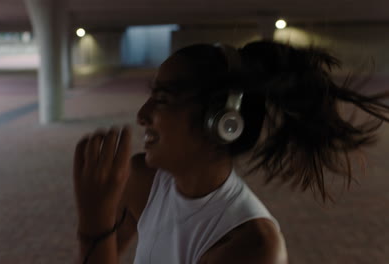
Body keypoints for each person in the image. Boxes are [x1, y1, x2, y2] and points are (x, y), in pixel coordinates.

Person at [72, 41, 389, 264]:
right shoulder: (144, 180)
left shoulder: (252, 247)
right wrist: (96, 218)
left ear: (223, 123)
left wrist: (95, 216)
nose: (142, 114)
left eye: (163, 99)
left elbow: (97, 239)